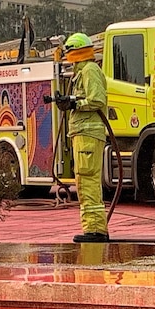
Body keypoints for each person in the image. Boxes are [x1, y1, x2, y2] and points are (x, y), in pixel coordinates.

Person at [57, 32, 109, 243]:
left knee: (88, 181)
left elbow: (96, 100)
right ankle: (92, 228)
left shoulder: (89, 70)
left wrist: (74, 104)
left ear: (74, 52)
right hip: (83, 133)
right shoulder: (82, 72)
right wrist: (70, 101)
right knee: (83, 180)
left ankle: (95, 230)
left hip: (88, 134)